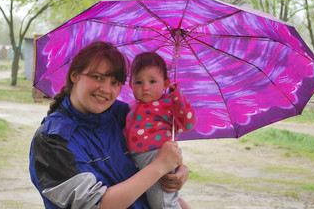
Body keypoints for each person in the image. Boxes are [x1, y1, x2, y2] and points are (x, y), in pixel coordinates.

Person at [29, 41, 189, 209]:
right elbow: (96, 205)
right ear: (75, 76)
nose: (106, 89)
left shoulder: (124, 116)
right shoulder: (52, 140)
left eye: (115, 83)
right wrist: (159, 167)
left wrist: (176, 170)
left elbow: (152, 158)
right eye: (98, 77)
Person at [124, 52, 197, 209]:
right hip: (137, 161)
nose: (145, 87)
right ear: (130, 85)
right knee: (150, 199)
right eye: (138, 82)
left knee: (162, 203)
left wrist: (177, 95)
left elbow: (188, 123)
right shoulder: (130, 106)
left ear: (165, 84)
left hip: (157, 155)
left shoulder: (168, 104)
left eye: (152, 81)